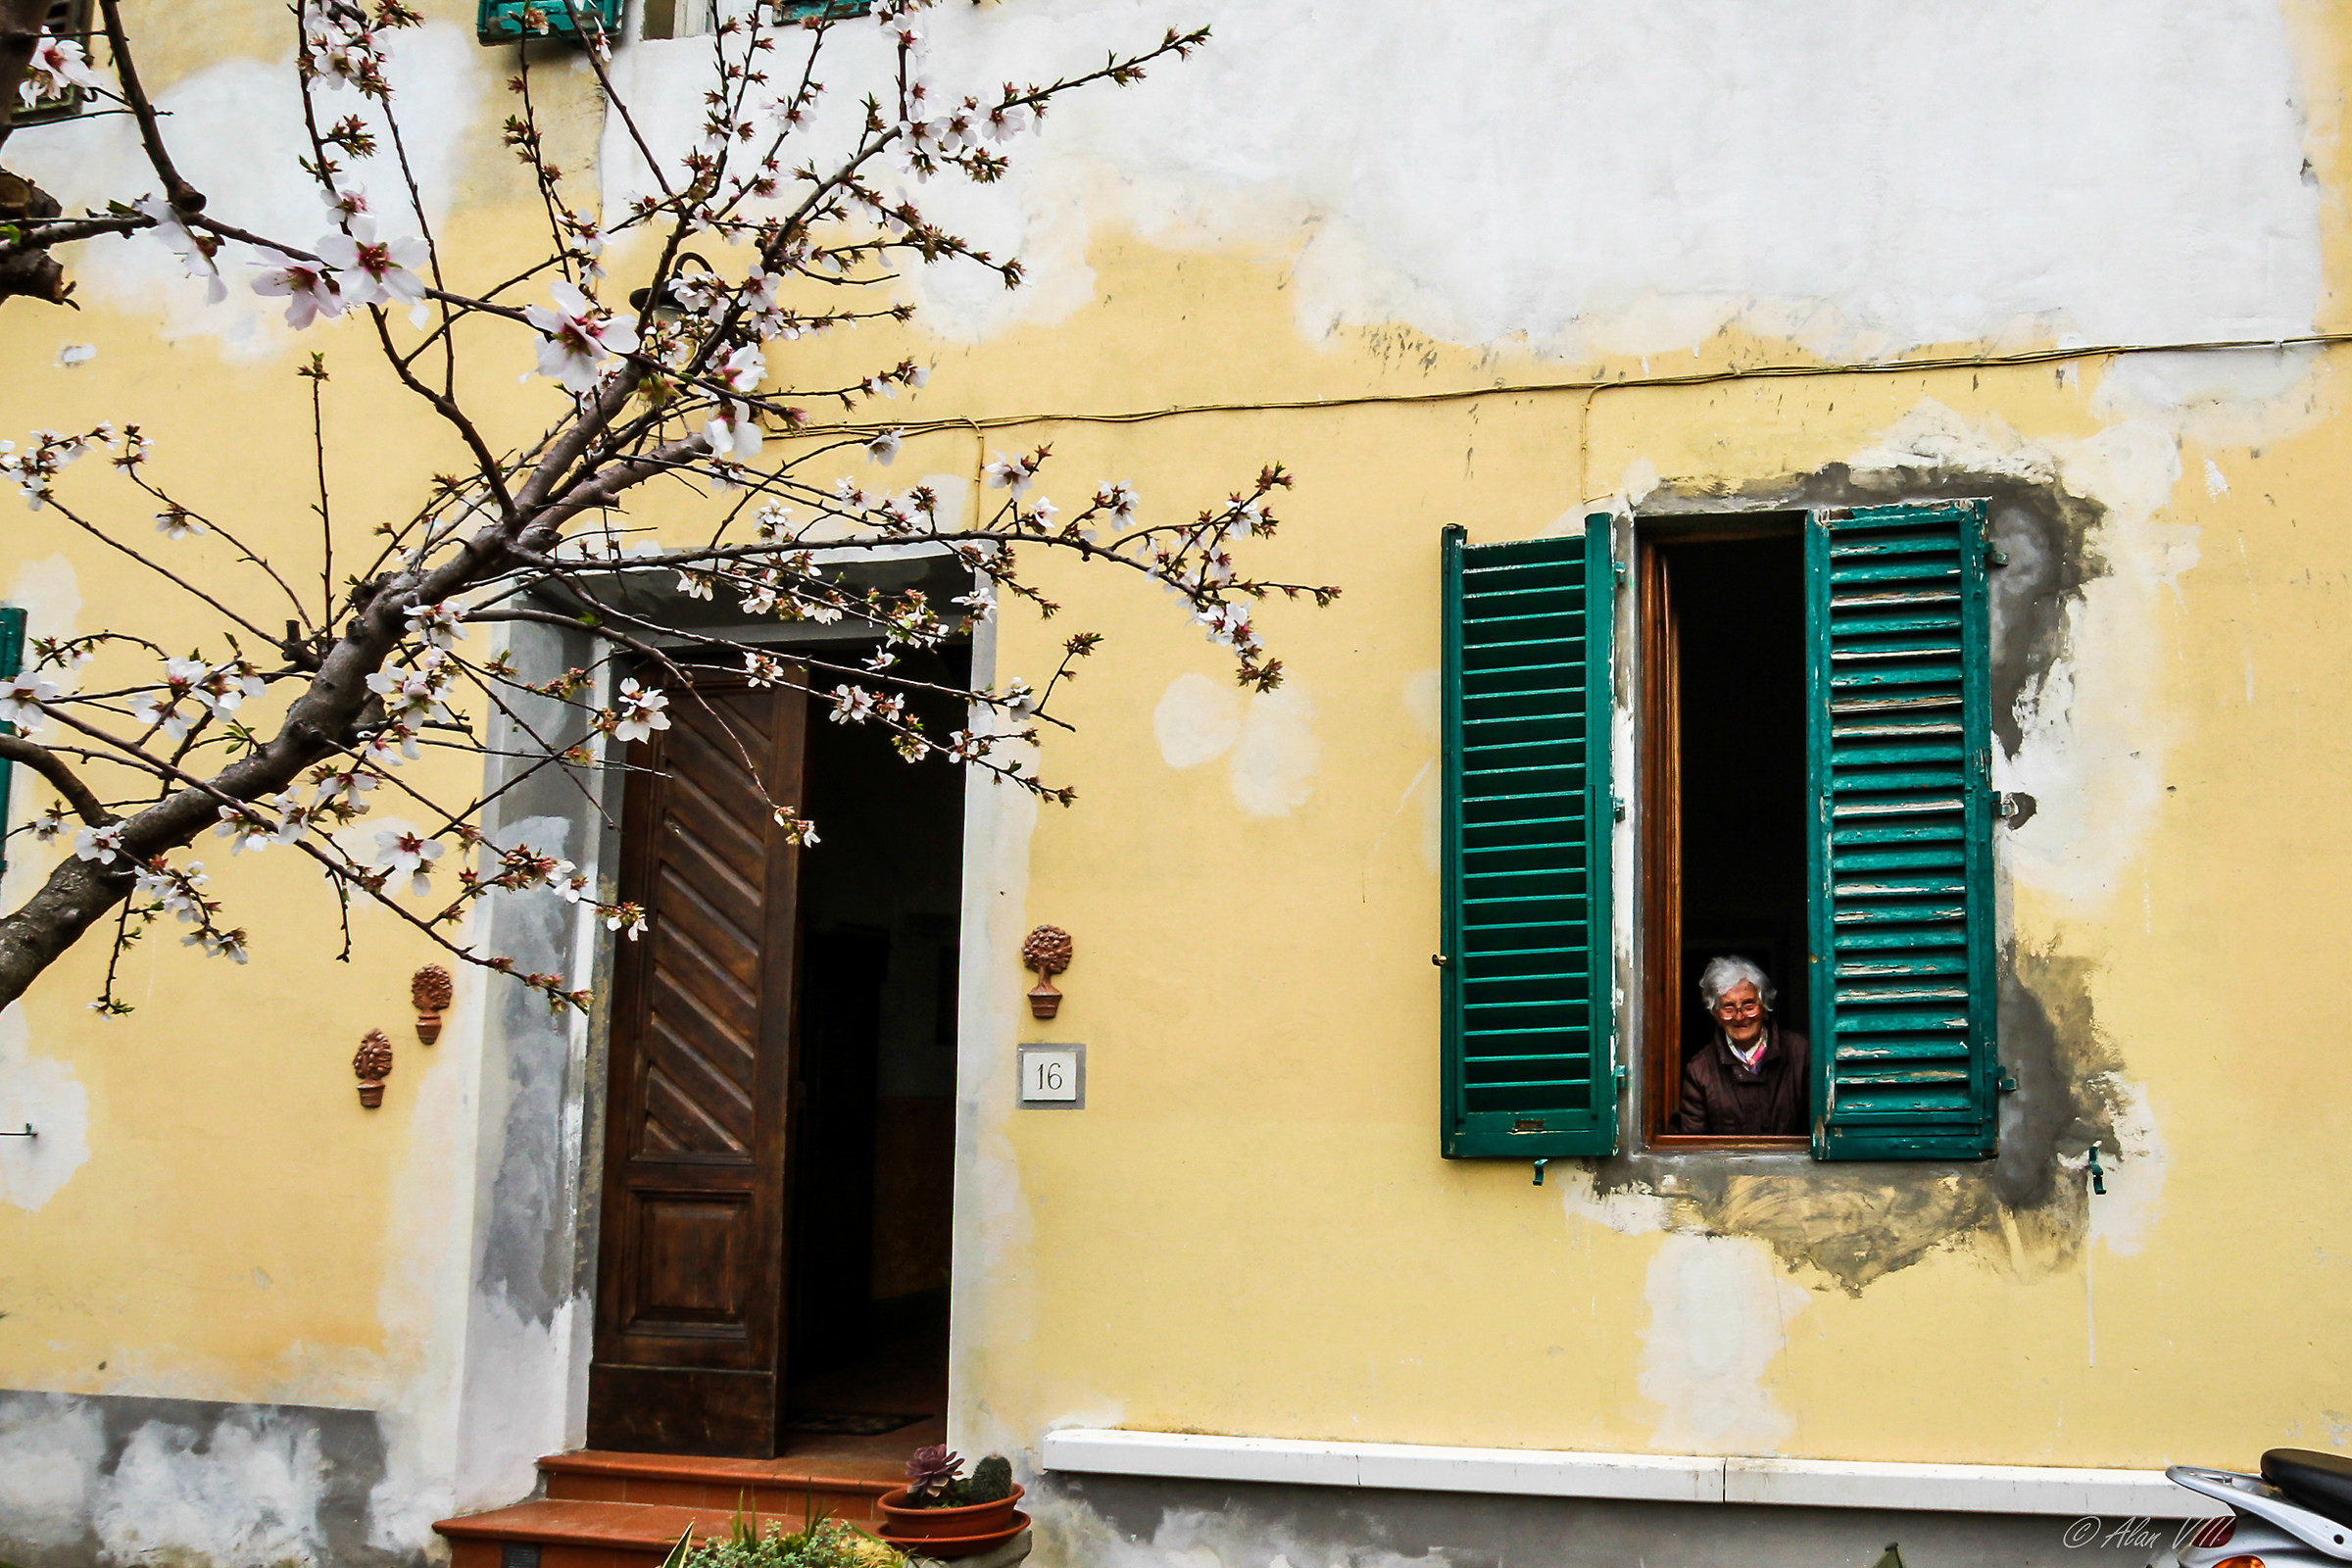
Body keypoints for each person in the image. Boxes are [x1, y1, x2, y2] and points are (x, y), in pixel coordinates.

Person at [1676, 956, 1809, 1137]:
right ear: (1716, 1014)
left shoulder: (1800, 1052)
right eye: (1728, 1008)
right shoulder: (1699, 1070)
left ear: (1764, 1005)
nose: (1740, 1017)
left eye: (1749, 1005)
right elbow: (1693, 1143)